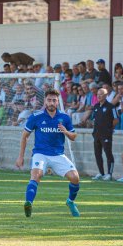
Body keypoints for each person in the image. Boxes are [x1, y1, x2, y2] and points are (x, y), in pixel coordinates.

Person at [15, 90, 80, 218]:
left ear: (57, 102)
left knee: (75, 178)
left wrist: (66, 132)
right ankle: (28, 203)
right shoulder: (36, 116)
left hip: (58, 154)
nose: (51, 103)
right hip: (40, 153)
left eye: (54, 100)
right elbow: (25, 136)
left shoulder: (64, 117)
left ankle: (70, 202)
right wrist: (21, 156)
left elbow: (74, 136)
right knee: (36, 175)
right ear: (45, 101)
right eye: (49, 100)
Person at [91, 88, 119, 181]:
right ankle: (101, 173)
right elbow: (94, 119)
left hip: (106, 134)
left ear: (106, 95)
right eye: (98, 94)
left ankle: (109, 174)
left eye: (101, 94)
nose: (99, 96)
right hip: (96, 134)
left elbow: (116, 119)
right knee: (97, 154)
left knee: (108, 153)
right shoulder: (95, 106)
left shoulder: (111, 107)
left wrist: (109, 129)